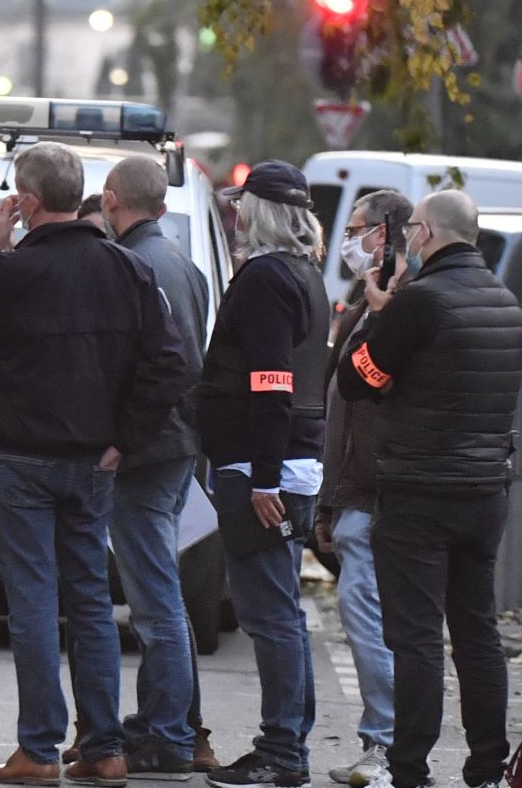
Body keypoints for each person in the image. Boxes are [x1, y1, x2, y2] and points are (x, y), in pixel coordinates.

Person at [0, 141, 190, 786]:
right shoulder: (127, 269)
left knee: (31, 604)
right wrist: (126, 438)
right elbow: (170, 363)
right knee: (91, 603)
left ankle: (40, 751)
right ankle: (104, 747)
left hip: (24, 456)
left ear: (24, 201)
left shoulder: (16, 272)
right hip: (92, 461)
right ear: (80, 196)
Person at [339, 189, 522, 788]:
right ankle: (488, 767)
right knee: (477, 634)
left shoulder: (421, 302)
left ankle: (410, 768)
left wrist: (379, 314)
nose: (409, 237)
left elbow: (358, 377)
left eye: (413, 227)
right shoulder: (505, 302)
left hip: (418, 491)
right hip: (482, 492)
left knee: (415, 637)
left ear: (428, 234)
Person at [198, 161, 328, 788]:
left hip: (259, 464)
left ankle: (282, 751)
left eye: (242, 204)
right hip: (290, 460)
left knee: (269, 616)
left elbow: (271, 382)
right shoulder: (307, 275)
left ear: (259, 211)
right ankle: (289, 741)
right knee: (284, 614)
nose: (236, 213)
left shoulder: (264, 279)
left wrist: (262, 480)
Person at [98, 157, 211, 779]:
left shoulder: (135, 265)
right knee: (161, 593)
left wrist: (122, 438)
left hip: (148, 452)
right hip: (176, 446)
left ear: (112, 200)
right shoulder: (181, 263)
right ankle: (163, 722)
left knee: (154, 603)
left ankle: (167, 732)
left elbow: (160, 366)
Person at [316, 190, 414, 787]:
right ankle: (387, 743)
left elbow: (370, 389)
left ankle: (386, 746)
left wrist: (379, 313)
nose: (346, 241)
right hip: (354, 492)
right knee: (371, 617)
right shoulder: (364, 304)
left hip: (376, 493)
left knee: (370, 616)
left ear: (385, 233)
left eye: (355, 230)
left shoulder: (401, 307)